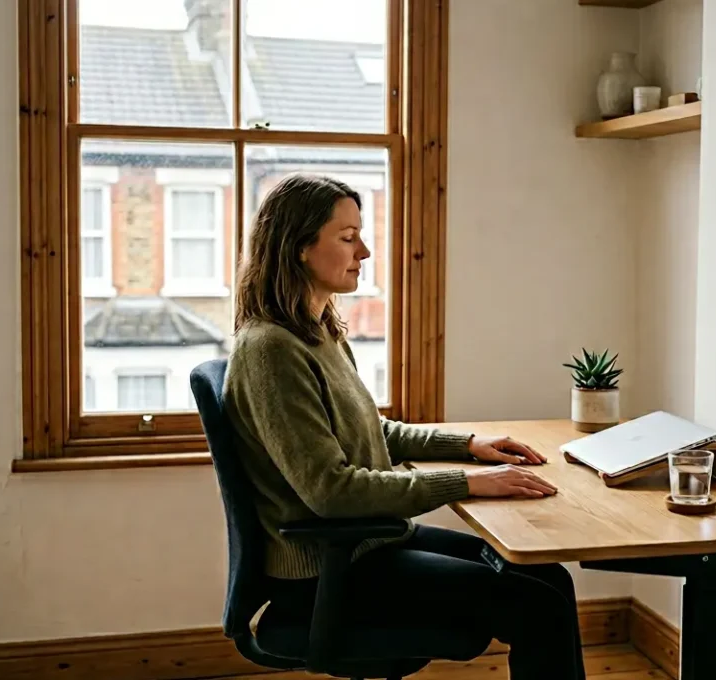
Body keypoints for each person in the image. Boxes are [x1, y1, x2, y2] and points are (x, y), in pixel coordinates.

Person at [223, 173, 586, 679]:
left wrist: (470, 446)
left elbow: (375, 433)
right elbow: (330, 490)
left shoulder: (319, 331)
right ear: (299, 247)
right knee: (535, 606)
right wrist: (466, 483)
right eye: (347, 238)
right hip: (329, 571)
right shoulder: (270, 350)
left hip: (369, 543)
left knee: (547, 577)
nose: (365, 251)